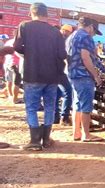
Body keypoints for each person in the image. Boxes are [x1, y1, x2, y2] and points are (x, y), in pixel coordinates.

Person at [13, 2, 67, 151]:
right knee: (50, 107)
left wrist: (30, 53)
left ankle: (35, 141)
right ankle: (46, 139)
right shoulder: (56, 32)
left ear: (31, 13)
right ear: (46, 14)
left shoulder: (24, 26)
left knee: (31, 107)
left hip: (33, 73)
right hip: (52, 76)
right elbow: (62, 54)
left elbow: (17, 47)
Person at [66, 17, 105, 142]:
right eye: (94, 31)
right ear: (90, 27)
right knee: (86, 106)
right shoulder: (85, 37)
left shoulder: (71, 37)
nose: (93, 34)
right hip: (83, 75)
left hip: (72, 74)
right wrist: (96, 75)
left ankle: (76, 132)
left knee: (77, 104)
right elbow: (86, 58)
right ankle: (86, 134)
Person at [54, 24, 74, 125]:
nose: (66, 33)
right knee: (68, 92)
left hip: (53, 70)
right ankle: (64, 117)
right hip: (60, 71)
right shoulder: (63, 41)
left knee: (56, 94)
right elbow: (64, 55)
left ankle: (55, 117)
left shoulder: (54, 39)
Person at [3, 33, 22, 104]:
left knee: (9, 80)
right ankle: (15, 99)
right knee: (16, 82)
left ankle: (10, 95)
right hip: (15, 64)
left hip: (7, 62)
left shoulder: (9, 41)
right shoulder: (18, 43)